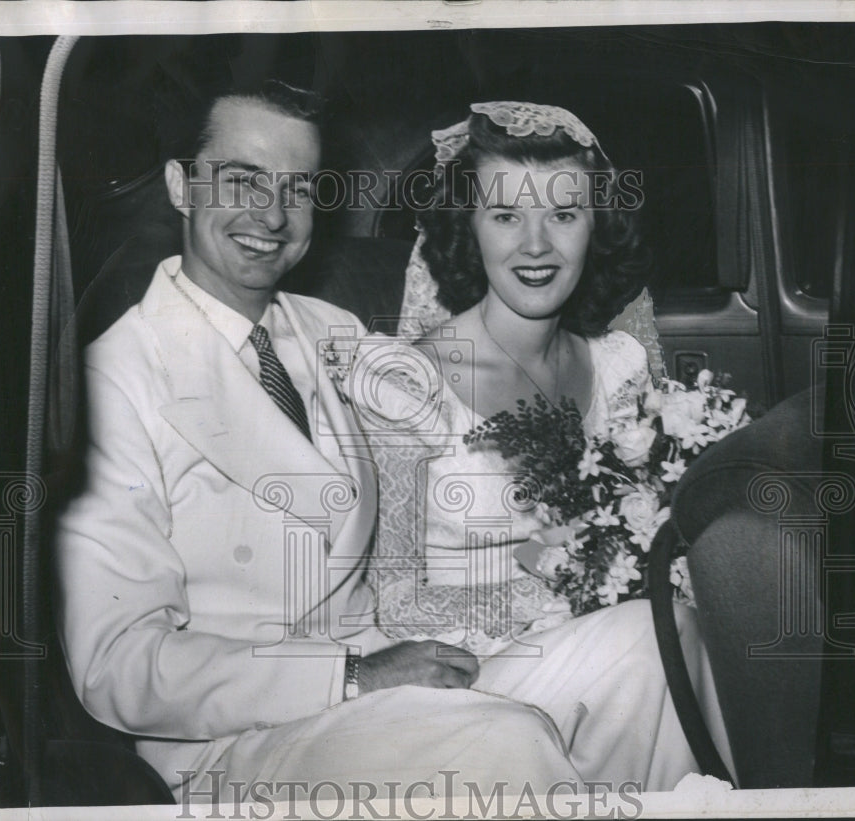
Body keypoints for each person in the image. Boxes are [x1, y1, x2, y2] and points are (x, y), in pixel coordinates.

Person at [55, 83, 589, 805]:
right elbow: (115, 664)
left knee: (642, 663)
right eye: (243, 180)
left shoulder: (330, 329)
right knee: (507, 742)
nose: (271, 216)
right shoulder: (112, 380)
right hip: (232, 740)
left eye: (298, 188)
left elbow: (442, 472)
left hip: (388, 669)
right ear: (182, 187)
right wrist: (345, 675)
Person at [342, 101, 735, 790]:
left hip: (611, 646)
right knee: (655, 638)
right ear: (470, 226)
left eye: (563, 213)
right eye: (505, 216)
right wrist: (559, 591)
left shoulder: (619, 367)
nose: (535, 246)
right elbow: (394, 597)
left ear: (597, 226)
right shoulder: (404, 381)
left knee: (675, 634)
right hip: (465, 672)